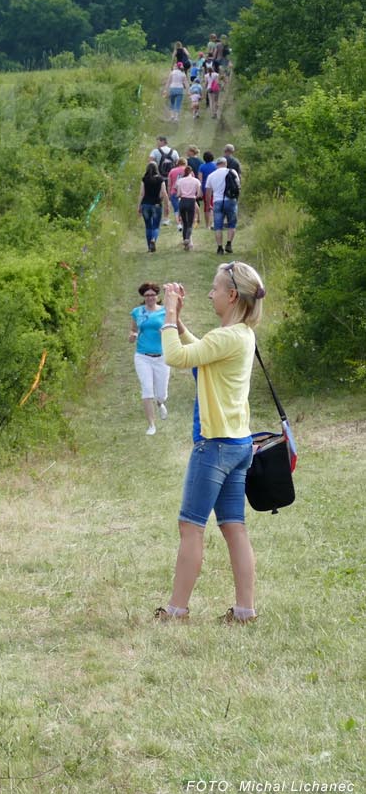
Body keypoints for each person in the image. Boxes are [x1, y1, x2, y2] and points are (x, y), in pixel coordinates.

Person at [154, 262, 267, 625]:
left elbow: (176, 357)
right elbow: (201, 352)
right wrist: (180, 324)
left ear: (231, 295)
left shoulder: (227, 337)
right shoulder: (241, 335)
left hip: (214, 446)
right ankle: (245, 611)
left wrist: (168, 315)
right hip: (238, 445)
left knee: (191, 526)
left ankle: (176, 611)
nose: (210, 294)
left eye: (215, 289)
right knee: (234, 526)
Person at [129, 283, 170, 435]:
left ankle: (160, 403)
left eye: (152, 295)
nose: (150, 298)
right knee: (147, 390)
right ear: (143, 297)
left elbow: (173, 330)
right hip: (142, 356)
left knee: (161, 393)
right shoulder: (137, 312)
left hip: (161, 356)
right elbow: (133, 329)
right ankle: (151, 425)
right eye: (147, 295)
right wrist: (132, 335)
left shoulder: (165, 311)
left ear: (157, 296)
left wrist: (165, 332)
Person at [204, 157, 240, 254]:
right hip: (230, 200)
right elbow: (238, 186)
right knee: (232, 224)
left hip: (217, 201)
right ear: (226, 163)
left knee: (218, 226)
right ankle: (229, 244)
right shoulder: (232, 172)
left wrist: (208, 204)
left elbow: (208, 192)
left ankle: (220, 248)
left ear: (217, 165)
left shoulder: (211, 175)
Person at [138, 162, 171, 252]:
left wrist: (139, 206)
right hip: (156, 205)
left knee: (148, 226)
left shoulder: (144, 179)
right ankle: (153, 239)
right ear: (157, 169)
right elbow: (164, 193)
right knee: (156, 226)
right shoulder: (160, 179)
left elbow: (142, 194)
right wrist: (167, 204)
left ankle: (149, 247)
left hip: (145, 205)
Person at [174, 164, 202, 251]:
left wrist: (180, 195)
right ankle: (187, 239)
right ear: (192, 172)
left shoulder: (180, 181)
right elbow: (199, 194)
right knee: (190, 223)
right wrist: (194, 196)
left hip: (182, 201)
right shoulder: (196, 181)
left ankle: (185, 244)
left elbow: (178, 194)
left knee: (184, 223)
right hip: (191, 201)